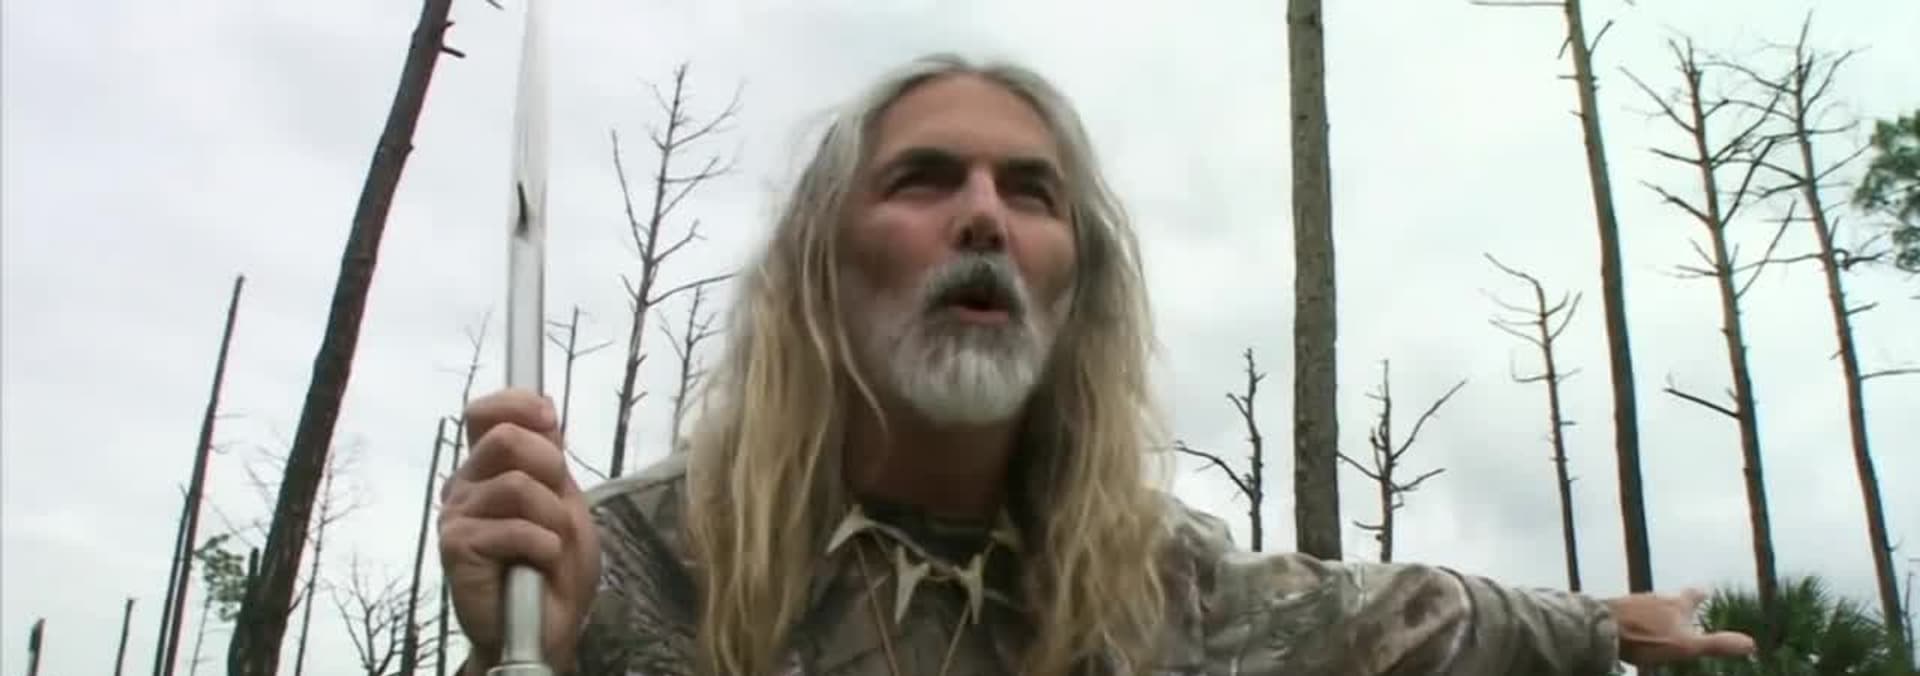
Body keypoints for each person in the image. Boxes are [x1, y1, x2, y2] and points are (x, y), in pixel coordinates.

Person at [437, 53, 1757, 675]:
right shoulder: (631, 568)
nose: (984, 216)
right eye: (923, 180)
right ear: (818, 268)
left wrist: (1603, 627)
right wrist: (533, 651)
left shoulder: (1153, 580)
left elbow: (1397, 615)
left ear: (1079, 288)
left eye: (1031, 192)